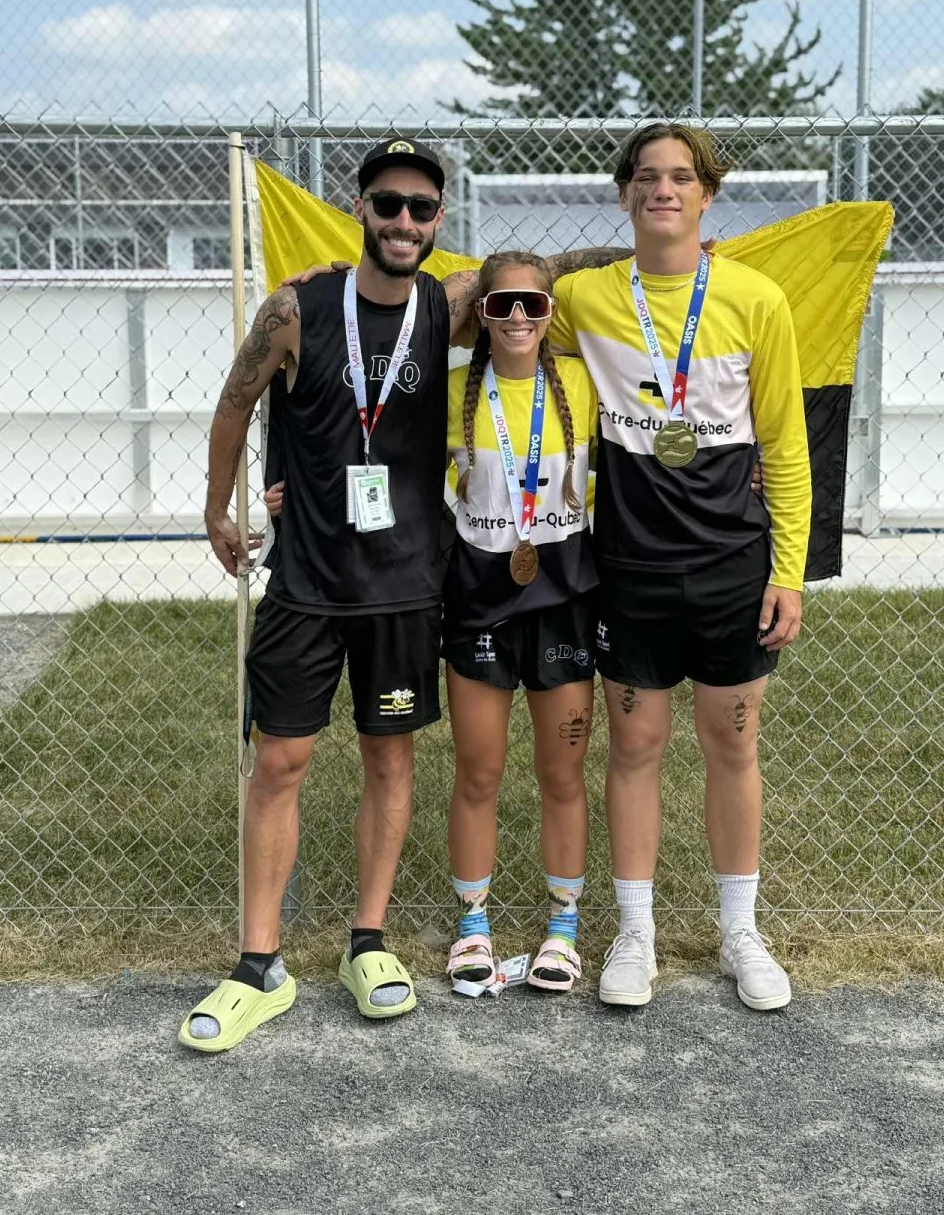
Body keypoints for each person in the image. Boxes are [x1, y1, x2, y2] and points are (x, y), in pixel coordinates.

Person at [183, 137, 624, 1051]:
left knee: (390, 763)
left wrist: (664, 252)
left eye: (422, 209)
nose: (404, 221)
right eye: (388, 203)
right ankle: (258, 965)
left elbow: (539, 276)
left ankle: (368, 943)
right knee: (279, 764)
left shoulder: (445, 306)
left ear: (437, 221)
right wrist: (219, 509)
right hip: (307, 582)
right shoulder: (296, 308)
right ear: (362, 209)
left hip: (405, 589)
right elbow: (234, 404)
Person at [547, 122, 812, 1013]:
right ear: (626, 193)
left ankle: (741, 933)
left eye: (682, 177)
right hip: (629, 567)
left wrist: (787, 571)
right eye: (648, 176)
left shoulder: (756, 298)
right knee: (635, 747)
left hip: (733, 564)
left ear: (708, 194)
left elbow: (786, 446)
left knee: (732, 743)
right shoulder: (583, 299)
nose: (664, 189)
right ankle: (637, 934)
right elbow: (494, 305)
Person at [442, 252, 598, 994]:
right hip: (478, 599)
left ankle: (562, 930)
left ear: (550, 315)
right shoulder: (450, 391)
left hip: (563, 598)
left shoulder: (582, 383)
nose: (516, 318)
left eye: (532, 305)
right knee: (479, 771)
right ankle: (473, 926)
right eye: (500, 304)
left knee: (561, 773)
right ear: (479, 313)